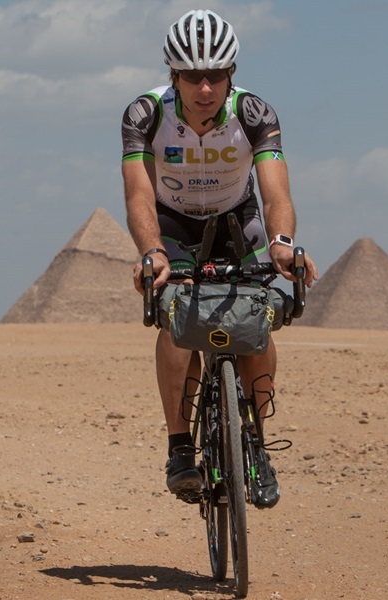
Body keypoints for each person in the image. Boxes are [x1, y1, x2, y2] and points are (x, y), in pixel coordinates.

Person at [121, 9, 317, 508]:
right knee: (176, 323)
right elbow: (139, 196)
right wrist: (151, 253)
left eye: (216, 75)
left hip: (239, 221)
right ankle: (180, 445)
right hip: (174, 226)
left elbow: (275, 192)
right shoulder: (145, 115)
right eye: (191, 76)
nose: (204, 87)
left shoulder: (254, 113)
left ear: (231, 74)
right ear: (174, 76)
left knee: (257, 327)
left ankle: (254, 439)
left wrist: (282, 242)